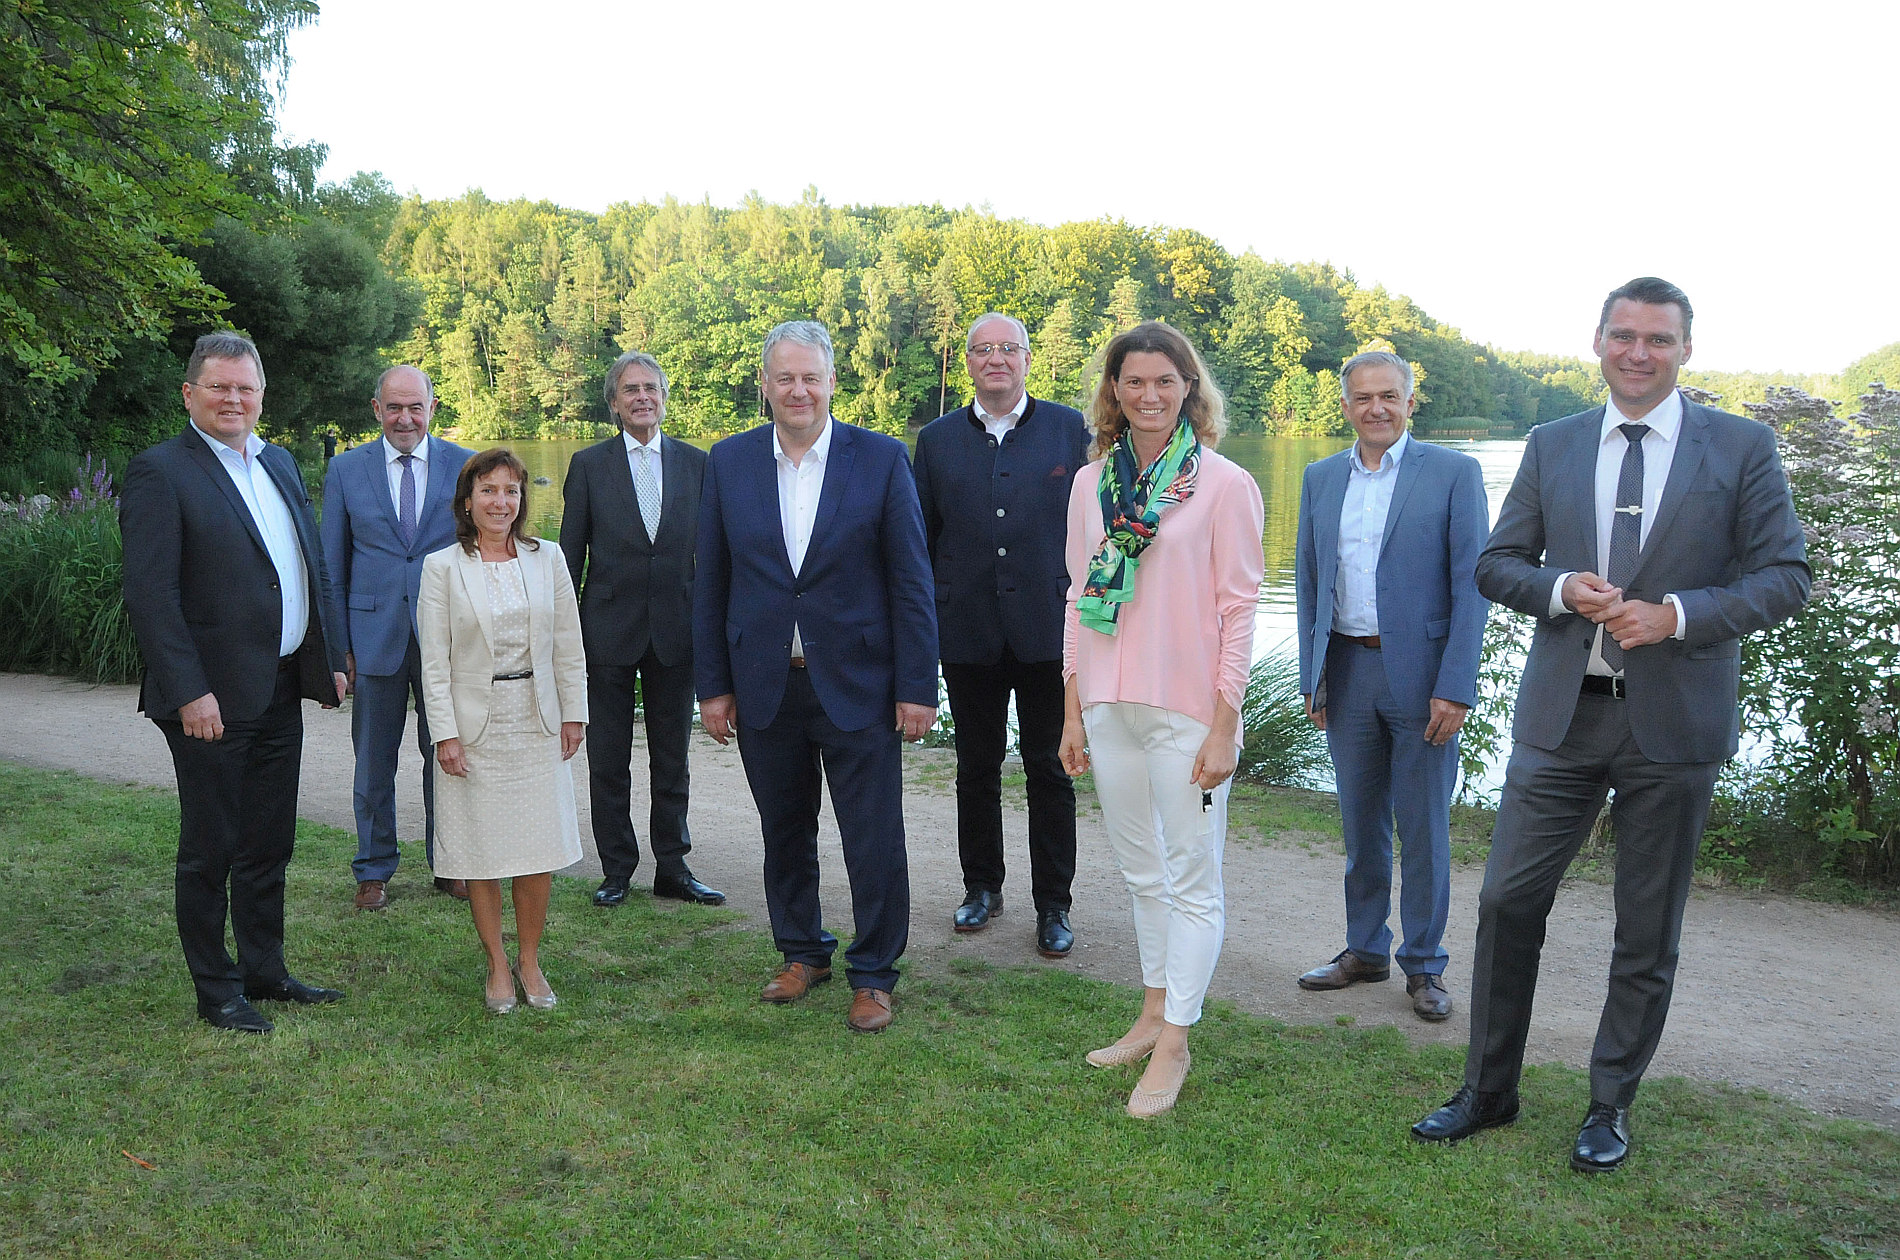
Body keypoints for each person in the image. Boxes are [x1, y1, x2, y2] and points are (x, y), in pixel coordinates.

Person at [1411, 278, 1810, 1172]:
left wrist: (1678, 614)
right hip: (1563, 719)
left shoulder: (1743, 446)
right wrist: (1557, 589)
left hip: (1676, 725)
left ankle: (1608, 1105)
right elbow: (1497, 563)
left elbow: (1788, 575)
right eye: (1623, 335)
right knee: (1508, 901)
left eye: (1658, 339)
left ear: (1685, 351)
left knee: (1646, 926)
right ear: (1597, 341)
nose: (1639, 352)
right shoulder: (1553, 444)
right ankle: (1488, 1089)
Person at [694, 320, 938, 1034]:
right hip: (765, 681)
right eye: (784, 377)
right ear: (765, 385)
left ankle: (874, 973)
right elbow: (710, 580)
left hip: (860, 681)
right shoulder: (729, 463)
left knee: (872, 837)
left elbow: (912, 582)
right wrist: (713, 684)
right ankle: (802, 951)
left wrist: (917, 685)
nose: (798, 390)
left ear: (833, 382)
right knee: (785, 830)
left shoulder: (883, 459)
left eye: (811, 377)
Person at [1058, 322, 1264, 1117]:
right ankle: (1151, 1013)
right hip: (1110, 704)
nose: (1148, 395)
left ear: (1189, 389)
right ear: (1113, 391)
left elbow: (1239, 611)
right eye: (1133, 382)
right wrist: (1072, 711)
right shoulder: (1089, 486)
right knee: (1143, 874)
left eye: (1164, 382)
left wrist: (1226, 724)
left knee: (1192, 881)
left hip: (1188, 712)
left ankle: (1176, 1041)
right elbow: (1078, 598)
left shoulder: (1223, 484)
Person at [120, 330, 350, 1033]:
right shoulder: (162, 471)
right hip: (209, 701)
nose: (233, 399)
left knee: (269, 841)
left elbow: (310, 564)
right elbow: (151, 596)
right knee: (211, 847)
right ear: (190, 393)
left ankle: (264, 970)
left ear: (260, 396)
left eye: (245, 388)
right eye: (219, 386)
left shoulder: (277, 462)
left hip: (278, 687)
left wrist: (331, 655)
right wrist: (190, 691)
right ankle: (216, 990)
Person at [1293, 350, 1488, 1021]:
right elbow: (1311, 584)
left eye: (1389, 396)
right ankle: (1365, 949)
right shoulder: (1321, 479)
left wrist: (1456, 685)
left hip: (1424, 678)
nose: (1376, 408)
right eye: (1362, 397)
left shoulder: (1455, 474)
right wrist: (1311, 677)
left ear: (1410, 401)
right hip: (1346, 672)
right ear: (1345, 405)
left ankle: (1425, 966)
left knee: (1425, 828)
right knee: (1360, 823)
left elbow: (1473, 588)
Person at [912, 312, 1090, 957]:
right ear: (967, 362)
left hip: (1050, 632)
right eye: (983, 350)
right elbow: (919, 540)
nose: (996, 359)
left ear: (1026, 358)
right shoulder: (934, 441)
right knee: (975, 767)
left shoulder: (1071, 430)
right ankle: (982, 887)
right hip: (967, 631)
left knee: (1050, 768)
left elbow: (1099, 530)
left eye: (1008, 349)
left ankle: (1054, 904)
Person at [417, 448, 588, 1014]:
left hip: (535, 720)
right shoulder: (443, 567)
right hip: (474, 729)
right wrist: (444, 733)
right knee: (482, 851)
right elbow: (434, 662)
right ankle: (495, 963)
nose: (501, 501)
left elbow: (569, 643)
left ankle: (530, 960)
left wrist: (574, 713)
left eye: (511, 491)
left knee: (537, 848)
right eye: (489, 490)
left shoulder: (549, 558)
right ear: (468, 501)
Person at [560, 352, 723, 909]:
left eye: (651, 388)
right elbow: (569, 557)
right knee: (608, 757)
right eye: (630, 390)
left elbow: (715, 554)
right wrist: (566, 636)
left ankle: (673, 867)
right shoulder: (588, 465)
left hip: (678, 629)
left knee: (672, 755)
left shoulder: (699, 464)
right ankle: (617, 868)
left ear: (664, 396)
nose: (642, 397)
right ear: (614, 403)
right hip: (606, 631)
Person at [321, 365, 473, 910]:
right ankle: (374, 868)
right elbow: (331, 569)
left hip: (448, 640)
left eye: (415, 407)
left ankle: (450, 862)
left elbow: (478, 553)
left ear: (433, 407)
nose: (404, 418)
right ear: (375, 408)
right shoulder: (346, 470)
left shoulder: (464, 465)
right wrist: (340, 648)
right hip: (373, 635)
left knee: (448, 754)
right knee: (373, 760)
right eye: (394, 407)